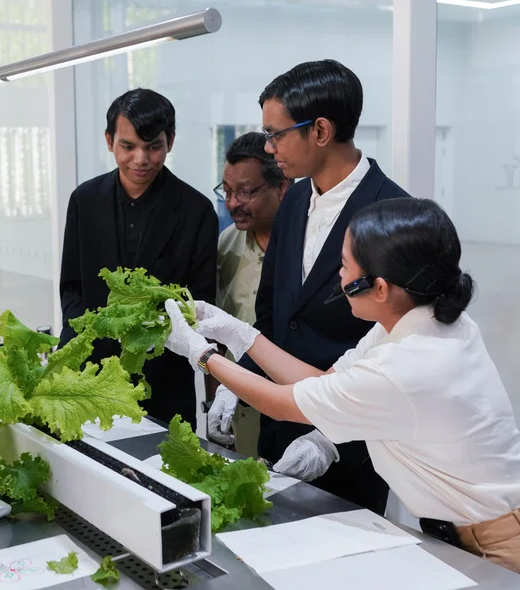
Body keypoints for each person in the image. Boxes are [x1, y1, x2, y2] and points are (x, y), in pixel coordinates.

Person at [163, 197, 520, 574]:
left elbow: (284, 404)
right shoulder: (416, 324)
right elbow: (321, 382)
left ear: (379, 288)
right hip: (473, 529)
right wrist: (241, 335)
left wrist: (202, 356)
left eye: (346, 264)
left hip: (496, 544)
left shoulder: (408, 365)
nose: (339, 274)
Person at [208, 60, 409, 514]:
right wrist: (238, 380)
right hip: (279, 433)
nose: (268, 145)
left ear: (319, 130)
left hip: (352, 451)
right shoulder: (294, 197)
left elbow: (393, 360)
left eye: (276, 133)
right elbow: (272, 317)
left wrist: (330, 438)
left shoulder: (393, 214)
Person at [59, 88, 218, 427]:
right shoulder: (84, 201)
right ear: (109, 141)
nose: (140, 159)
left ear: (170, 141)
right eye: (128, 146)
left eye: (153, 147)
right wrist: (77, 345)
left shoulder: (196, 211)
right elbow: (71, 287)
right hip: (92, 376)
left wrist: (151, 339)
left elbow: (200, 303)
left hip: (163, 380)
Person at [208, 132, 290, 449]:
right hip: (235, 408)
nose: (232, 203)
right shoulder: (227, 243)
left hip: (290, 407)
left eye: (245, 192)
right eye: (226, 191)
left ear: (282, 186)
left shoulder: (305, 249)